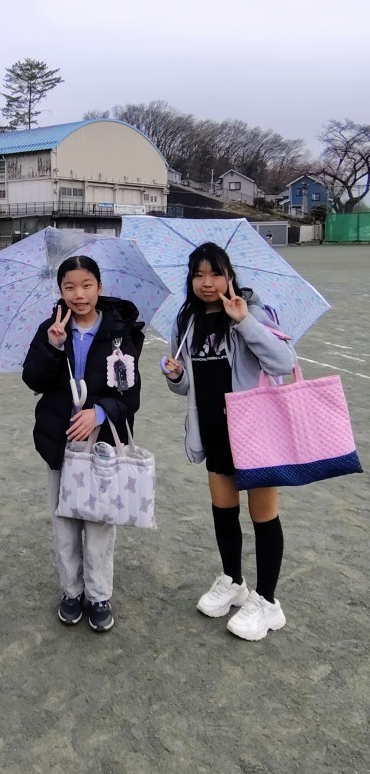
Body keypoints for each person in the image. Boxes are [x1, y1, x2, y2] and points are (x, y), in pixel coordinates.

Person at [162, 242, 295, 641]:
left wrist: (244, 321)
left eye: (215, 273)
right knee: (223, 510)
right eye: (198, 275)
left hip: (254, 431)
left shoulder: (251, 311)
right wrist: (174, 376)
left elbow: (284, 362)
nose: (207, 282)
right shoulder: (187, 320)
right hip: (214, 430)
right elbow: (186, 385)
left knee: (262, 514)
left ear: (230, 275)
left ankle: (268, 602)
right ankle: (234, 582)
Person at [22, 256, 144, 632]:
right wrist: (52, 346)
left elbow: (129, 395)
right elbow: (33, 379)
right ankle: (71, 591)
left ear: (99, 288)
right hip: (59, 444)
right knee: (64, 522)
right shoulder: (52, 328)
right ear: (60, 291)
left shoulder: (120, 334)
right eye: (70, 287)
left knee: (100, 521)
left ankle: (99, 593)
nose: (79, 294)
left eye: (87, 285)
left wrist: (101, 413)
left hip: (102, 445)